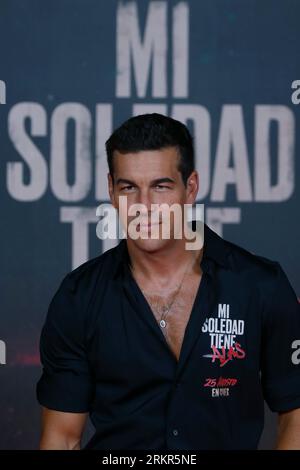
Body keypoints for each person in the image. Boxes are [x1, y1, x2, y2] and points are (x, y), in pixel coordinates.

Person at [36, 113, 300, 450]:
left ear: (190, 188)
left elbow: (295, 412)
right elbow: (62, 437)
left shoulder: (260, 285)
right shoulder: (79, 296)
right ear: (111, 190)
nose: (144, 207)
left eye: (160, 186)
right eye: (128, 187)